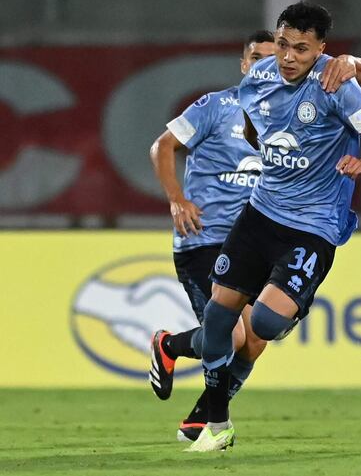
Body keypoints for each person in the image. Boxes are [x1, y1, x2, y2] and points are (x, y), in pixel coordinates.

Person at [186, 1, 361, 452]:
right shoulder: (260, 76)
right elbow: (251, 124)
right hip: (260, 212)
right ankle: (218, 425)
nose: (288, 57)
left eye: (301, 49)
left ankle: (291, 305)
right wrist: (263, 147)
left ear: (321, 49)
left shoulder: (337, 86)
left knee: (263, 323)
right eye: (283, 45)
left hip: (313, 226)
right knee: (216, 318)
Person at [148, 30, 276, 442]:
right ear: (243, 63)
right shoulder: (216, 105)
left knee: (255, 339)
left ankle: (200, 418)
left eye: (270, 59)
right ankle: (168, 346)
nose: (262, 65)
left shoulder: (290, 116)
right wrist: (176, 199)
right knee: (233, 334)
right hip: (205, 239)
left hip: (256, 243)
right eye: (255, 57)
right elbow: (162, 146)